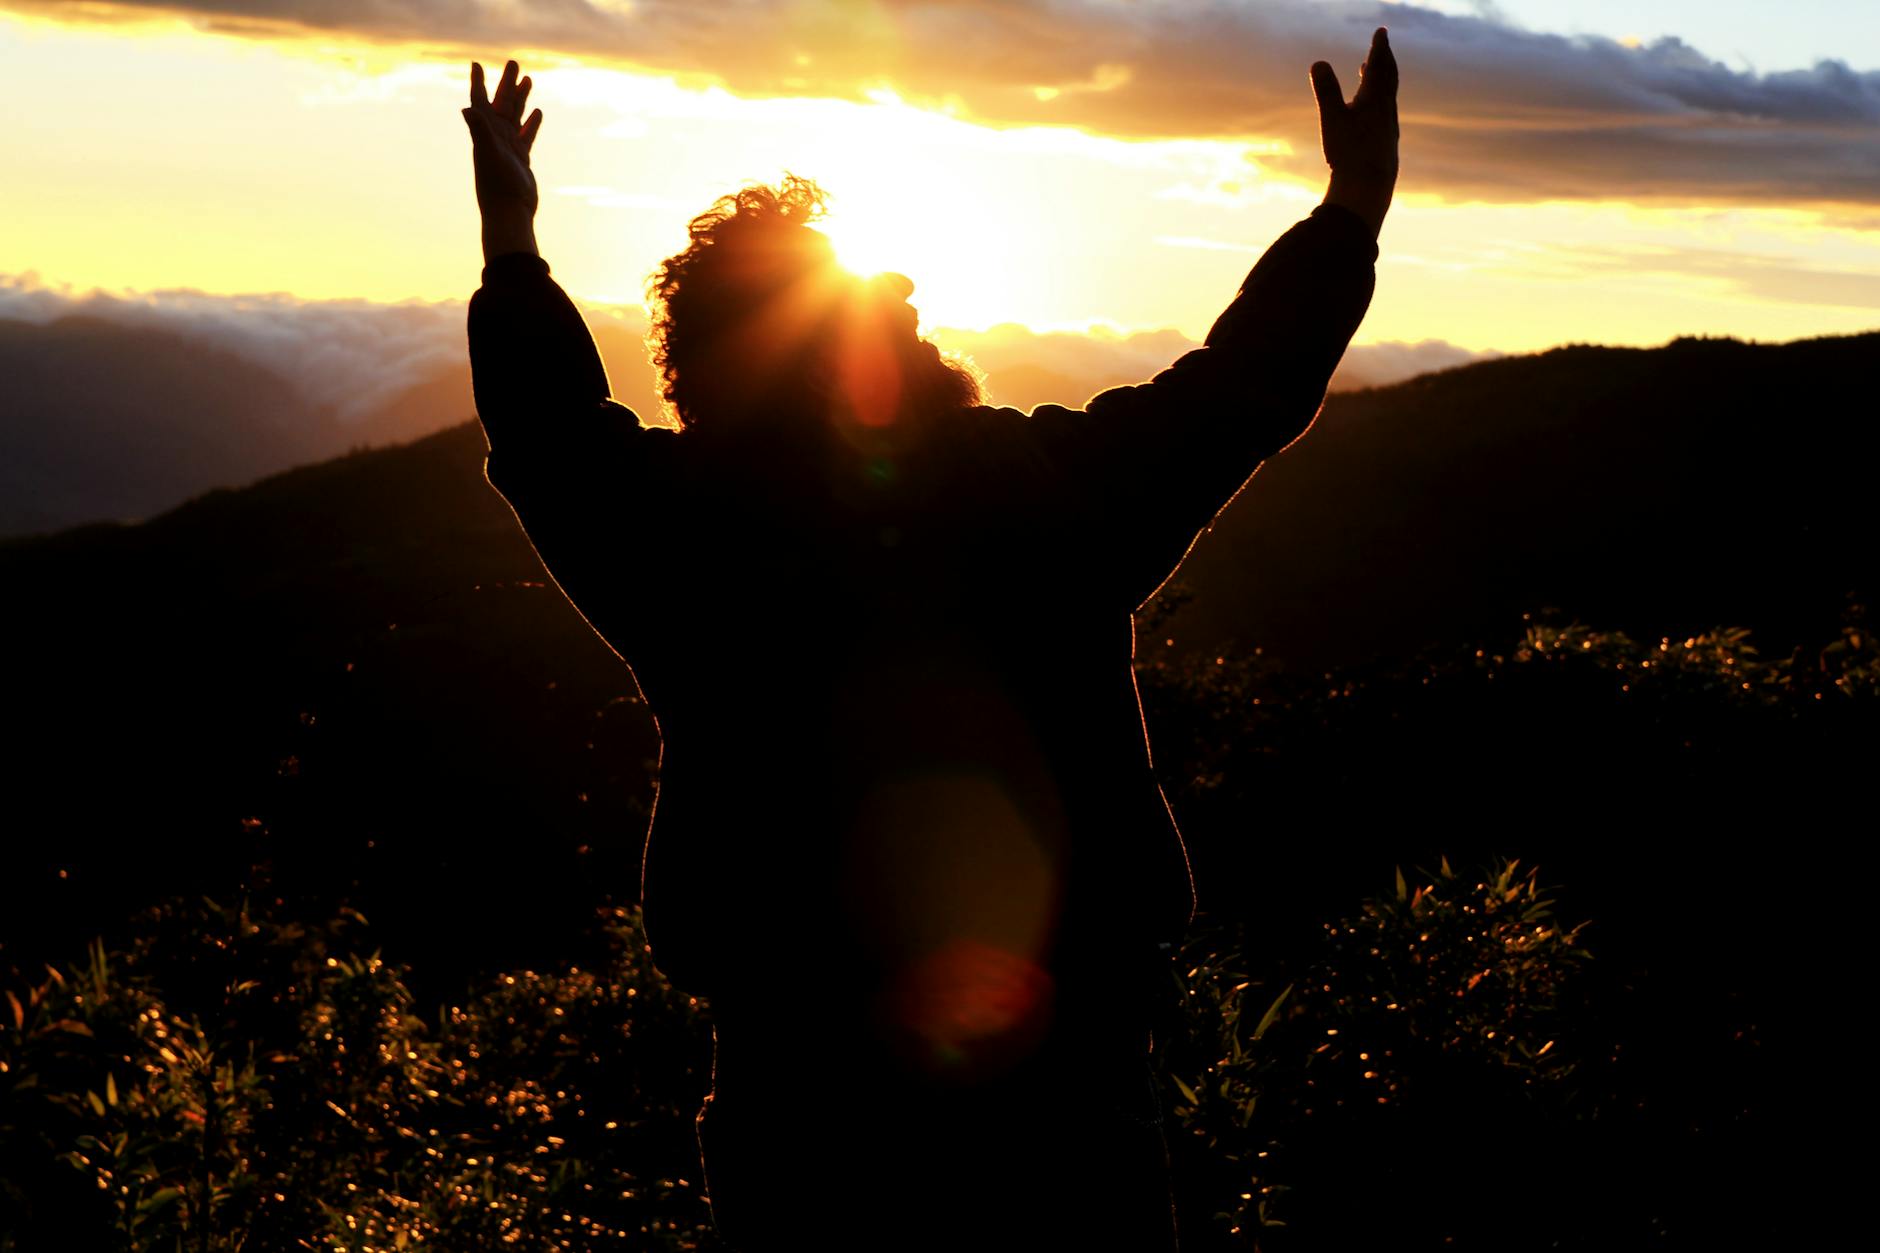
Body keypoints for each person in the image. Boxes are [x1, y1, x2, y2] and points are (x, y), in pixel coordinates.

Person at [461, 28, 1396, 1251]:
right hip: (1061, 1101)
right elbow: (1238, 389)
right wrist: (1346, 218)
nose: (904, 300)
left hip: (801, 1104)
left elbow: (551, 437)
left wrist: (514, 247)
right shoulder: (1041, 495)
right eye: (874, 300)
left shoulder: (684, 539)